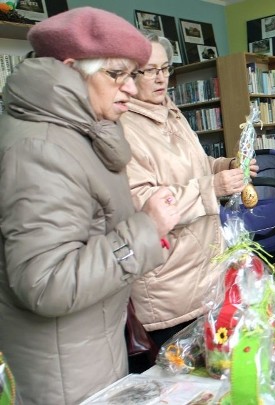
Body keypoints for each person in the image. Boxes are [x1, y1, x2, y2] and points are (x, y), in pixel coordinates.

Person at [0, 7, 181, 404]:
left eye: (132, 74)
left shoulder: (78, 131)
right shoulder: (42, 148)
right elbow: (46, 281)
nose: (131, 88)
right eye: (116, 74)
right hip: (64, 373)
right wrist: (145, 229)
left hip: (87, 350)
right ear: (72, 69)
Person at [119, 32, 258, 353]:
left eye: (165, 69)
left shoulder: (170, 111)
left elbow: (196, 165)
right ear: (128, 74)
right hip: (168, 289)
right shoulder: (123, 127)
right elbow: (143, 204)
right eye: (148, 70)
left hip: (205, 273)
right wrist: (213, 188)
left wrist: (224, 166)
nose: (160, 79)